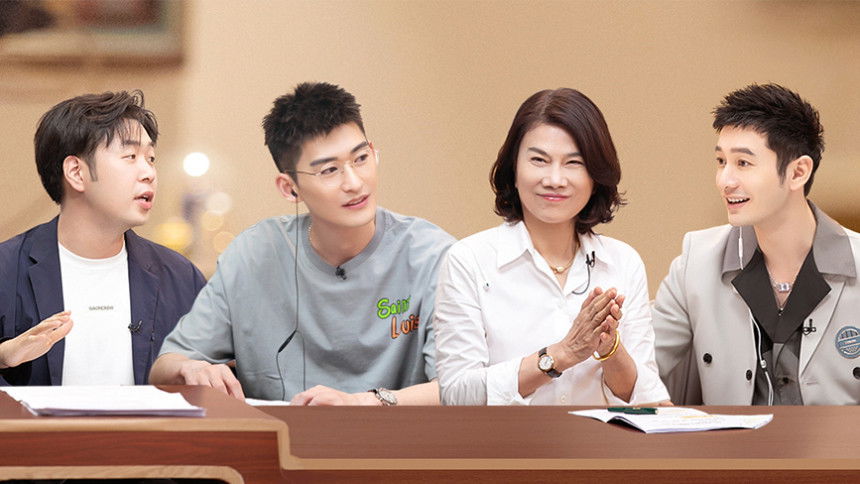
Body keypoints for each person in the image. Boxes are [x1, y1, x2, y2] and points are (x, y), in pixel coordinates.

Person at [149, 82, 455, 405]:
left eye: (361, 158)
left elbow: (458, 386)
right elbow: (165, 367)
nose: (354, 182)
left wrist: (363, 403)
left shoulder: (432, 256)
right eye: (330, 170)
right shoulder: (253, 255)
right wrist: (190, 368)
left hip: (398, 438)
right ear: (289, 188)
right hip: (282, 436)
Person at [434, 88, 669, 405]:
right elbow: (458, 394)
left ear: (596, 177)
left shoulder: (623, 262)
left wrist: (609, 347)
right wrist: (561, 355)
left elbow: (646, 403)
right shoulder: (469, 261)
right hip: (507, 440)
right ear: (513, 169)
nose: (555, 179)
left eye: (574, 163)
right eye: (539, 160)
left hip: (599, 438)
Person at [653, 83, 860, 405]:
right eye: (721, 161)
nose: (725, 181)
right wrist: (607, 347)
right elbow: (641, 372)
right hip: (734, 440)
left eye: (743, 163)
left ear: (798, 172)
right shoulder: (696, 263)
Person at [0, 90, 206, 386]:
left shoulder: (180, 277)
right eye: (131, 156)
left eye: (151, 158)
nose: (149, 172)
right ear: (76, 172)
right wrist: (4, 356)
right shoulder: (7, 269)